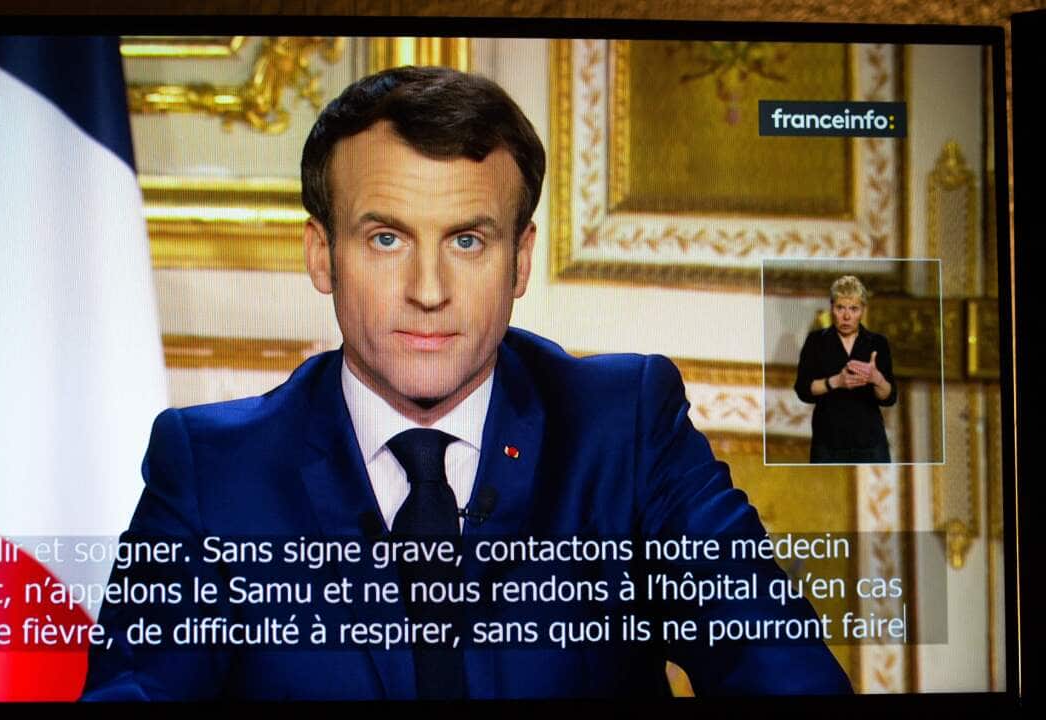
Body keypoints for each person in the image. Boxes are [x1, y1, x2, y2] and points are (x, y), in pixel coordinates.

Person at [81, 66, 852, 700]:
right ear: (322, 255)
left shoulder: (626, 427)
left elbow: (778, 665)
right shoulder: (212, 469)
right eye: (385, 238)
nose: (428, 288)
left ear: (520, 260)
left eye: (467, 240)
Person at [794, 276, 898, 464]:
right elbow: (803, 389)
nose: (847, 316)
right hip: (828, 442)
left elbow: (889, 397)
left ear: (863, 310)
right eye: (840, 308)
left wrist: (877, 379)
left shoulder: (877, 343)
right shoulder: (816, 342)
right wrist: (836, 382)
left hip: (870, 443)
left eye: (853, 309)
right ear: (832, 308)